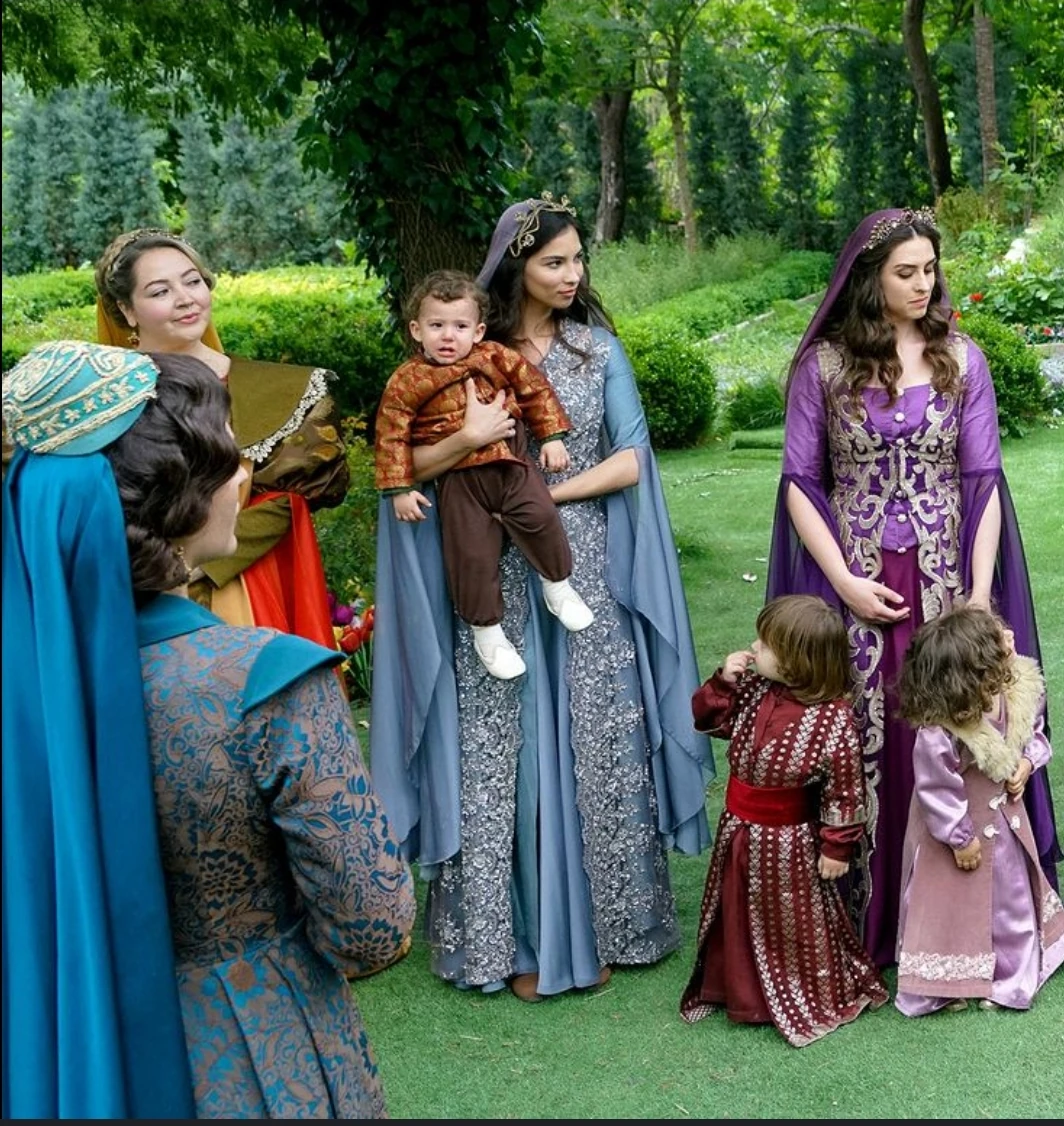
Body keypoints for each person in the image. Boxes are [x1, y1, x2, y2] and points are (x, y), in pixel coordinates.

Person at [2, 341, 416, 1119]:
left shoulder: (20, 682)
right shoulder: (263, 682)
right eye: (230, 457)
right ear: (177, 501)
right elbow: (370, 925)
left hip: (56, 1047)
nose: (243, 477)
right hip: (252, 1042)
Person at [370, 192, 715, 1001]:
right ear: (516, 267)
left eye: (578, 260)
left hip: (579, 564)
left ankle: (607, 926)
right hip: (488, 573)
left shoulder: (597, 352)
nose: (573, 275)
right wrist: (467, 443)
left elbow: (632, 460)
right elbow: (404, 465)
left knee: (595, 739)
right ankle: (513, 939)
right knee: (504, 748)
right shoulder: (462, 350)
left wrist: (536, 500)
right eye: (555, 261)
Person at [766, 206, 1061, 967]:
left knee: (953, 727)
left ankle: (966, 920)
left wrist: (978, 596)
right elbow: (800, 482)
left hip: (946, 585)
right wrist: (843, 582)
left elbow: (983, 480)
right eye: (906, 272)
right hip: (857, 582)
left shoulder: (961, 358)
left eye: (930, 269)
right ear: (869, 279)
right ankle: (868, 918)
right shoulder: (823, 367)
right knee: (863, 733)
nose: (923, 284)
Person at [95, 228, 349, 653]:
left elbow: (293, 497)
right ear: (126, 309)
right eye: (161, 291)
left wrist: (194, 563)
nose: (185, 299)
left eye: (192, 281)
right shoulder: (103, 397)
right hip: (128, 590)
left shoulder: (277, 391)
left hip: (237, 586)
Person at [679, 595, 888, 1046]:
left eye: (766, 644)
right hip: (737, 831)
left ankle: (786, 993)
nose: (754, 648)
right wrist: (722, 682)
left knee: (788, 921)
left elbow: (845, 788)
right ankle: (732, 987)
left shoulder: (832, 719)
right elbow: (709, 719)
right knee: (735, 907)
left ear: (796, 662)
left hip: (789, 845)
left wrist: (836, 846)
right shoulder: (753, 690)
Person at [375, 269, 593, 680]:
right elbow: (391, 434)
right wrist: (399, 488)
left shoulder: (495, 356)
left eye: (460, 327)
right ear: (416, 330)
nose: (448, 336)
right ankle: (487, 633)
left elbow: (534, 390)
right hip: (460, 480)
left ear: (477, 332)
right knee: (470, 554)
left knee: (541, 516)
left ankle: (558, 586)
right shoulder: (406, 380)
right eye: (436, 326)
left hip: (510, 463)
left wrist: (551, 437)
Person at [894, 604, 1064, 1015]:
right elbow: (936, 787)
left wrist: (1025, 764)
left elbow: (1033, 734)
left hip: (1004, 825)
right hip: (951, 832)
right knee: (948, 902)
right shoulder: (940, 729)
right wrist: (959, 838)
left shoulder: (1015, 694)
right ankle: (944, 983)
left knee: (1007, 898)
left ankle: (1009, 975)